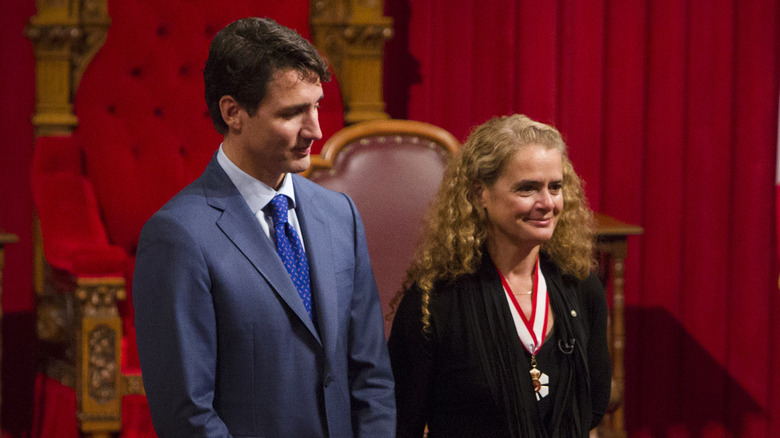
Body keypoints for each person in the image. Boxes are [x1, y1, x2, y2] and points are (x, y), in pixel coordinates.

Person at [133, 17, 395, 437]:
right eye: (292, 113)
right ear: (233, 112)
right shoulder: (177, 236)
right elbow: (187, 415)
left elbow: (372, 377)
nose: (316, 129)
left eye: (316, 106)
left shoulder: (339, 214)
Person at [388, 114, 611, 437]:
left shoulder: (580, 284)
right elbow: (401, 423)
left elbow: (593, 404)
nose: (547, 203)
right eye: (528, 189)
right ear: (481, 194)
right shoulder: (433, 302)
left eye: (556, 187)